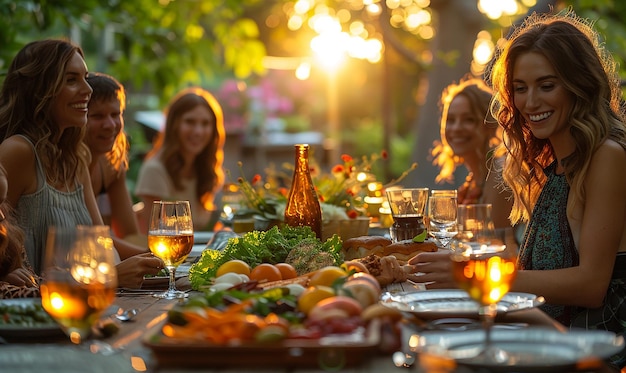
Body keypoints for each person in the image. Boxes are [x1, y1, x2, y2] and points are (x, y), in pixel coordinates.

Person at [409, 9, 626, 368]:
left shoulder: (607, 156)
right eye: (520, 89)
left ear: (579, 84)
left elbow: (591, 285)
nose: (530, 103)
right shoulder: (551, 164)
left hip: (593, 348)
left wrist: (474, 275)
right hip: (546, 333)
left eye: (547, 85)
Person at [0, 39, 162, 289]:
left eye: (85, 77)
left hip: (87, 308)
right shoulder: (18, 152)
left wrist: (154, 261)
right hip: (30, 317)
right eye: (72, 79)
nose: (87, 90)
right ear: (40, 89)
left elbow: (101, 245)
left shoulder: (75, 158)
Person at [134, 87, 226, 233]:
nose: (198, 131)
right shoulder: (155, 170)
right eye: (190, 122)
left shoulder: (202, 169)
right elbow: (151, 237)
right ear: (173, 125)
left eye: (205, 123)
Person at [430, 76, 513, 231]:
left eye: (468, 120)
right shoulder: (475, 178)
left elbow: (494, 245)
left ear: (489, 125)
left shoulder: (500, 177)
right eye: (451, 120)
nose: (456, 128)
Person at [85, 72, 149, 250]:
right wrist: (154, 258)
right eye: (97, 116)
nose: (110, 124)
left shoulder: (111, 165)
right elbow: (91, 238)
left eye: (115, 114)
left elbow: (129, 233)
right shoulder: (66, 167)